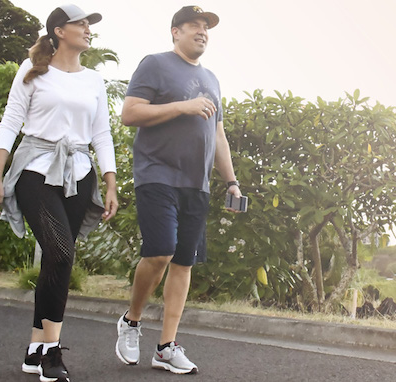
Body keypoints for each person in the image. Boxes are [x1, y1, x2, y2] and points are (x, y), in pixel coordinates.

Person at [0, 4, 118, 382]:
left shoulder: (93, 80)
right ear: (60, 30)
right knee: (60, 252)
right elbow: (11, 122)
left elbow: (101, 134)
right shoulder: (31, 72)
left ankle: (33, 348)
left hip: (79, 173)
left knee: (56, 261)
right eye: (82, 24)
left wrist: (109, 181)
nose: (89, 30)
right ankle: (51, 351)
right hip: (35, 170)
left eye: (90, 25)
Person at [114, 5, 241, 375]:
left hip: (195, 184)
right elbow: (130, 113)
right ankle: (132, 320)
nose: (202, 32)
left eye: (206, 28)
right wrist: (183, 106)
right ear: (175, 31)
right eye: (194, 26)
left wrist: (230, 181)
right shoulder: (154, 64)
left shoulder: (213, 80)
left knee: (184, 261)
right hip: (157, 174)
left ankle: (166, 346)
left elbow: (218, 135)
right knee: (160, 252)